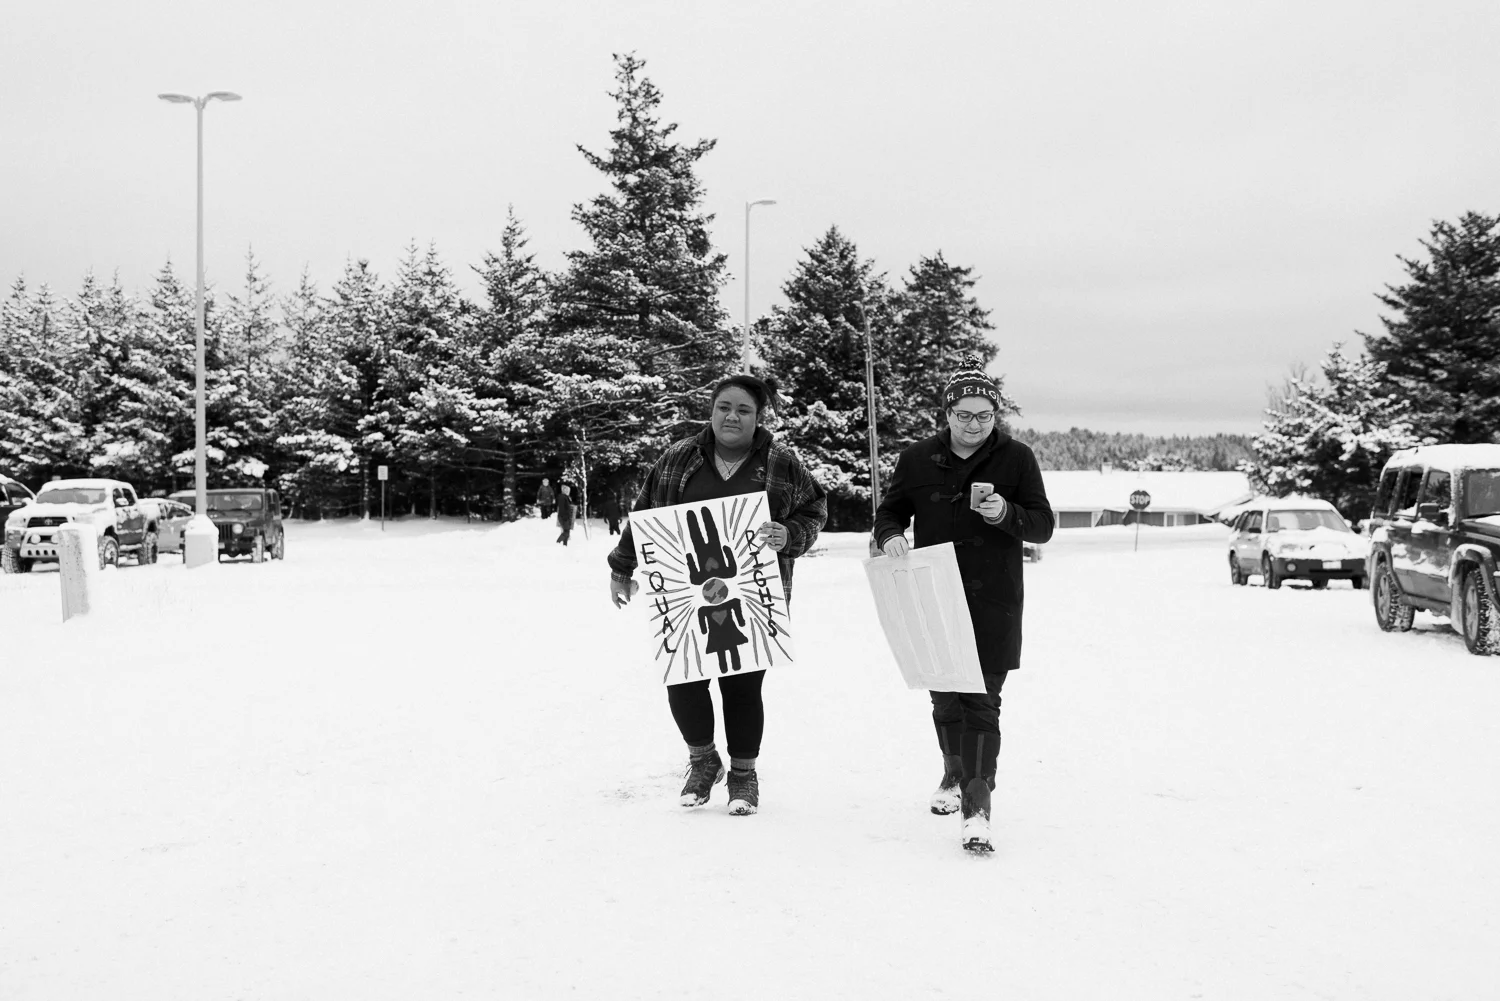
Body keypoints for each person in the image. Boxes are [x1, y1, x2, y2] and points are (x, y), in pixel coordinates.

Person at [608, 374, 827, 816]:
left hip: (752, 594)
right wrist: (621, 566)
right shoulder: (679, 457)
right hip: (684, 593)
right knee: (683, 679)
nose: (732, 416)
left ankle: (744, 775)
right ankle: (703, 759)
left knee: (742, 685)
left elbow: (815, 509)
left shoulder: (781, 461)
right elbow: (646, 512)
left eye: (744, 410)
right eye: (724, 406)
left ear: (758, 416)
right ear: (711, 410)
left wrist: (791, 533)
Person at [872, 355, 1054, 853]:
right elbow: (888, 513)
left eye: (984, 415)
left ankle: (977, 809)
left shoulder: (1017, 459)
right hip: (933, 597)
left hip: (994, 601)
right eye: (964, 414)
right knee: (945, 699)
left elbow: (1043, 525)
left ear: (996, 416)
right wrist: (889, 535)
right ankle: (953, 774)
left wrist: (1007, 513)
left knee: (982, 705)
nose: (974, 425)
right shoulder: (915, 460)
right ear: (946, 413)